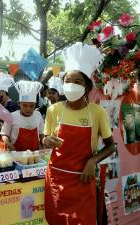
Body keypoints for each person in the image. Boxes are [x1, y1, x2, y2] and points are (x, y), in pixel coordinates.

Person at [43, 42, 116, 225]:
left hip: (83, 179)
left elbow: (111, 146)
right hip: (56, 178)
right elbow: (44, 139)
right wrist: (47, 140)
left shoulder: (97, 112)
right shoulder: (54, 110)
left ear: (87, 86)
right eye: (68, 81)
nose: (72, 85)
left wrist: (93, 161)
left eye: (78, 82)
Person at [1, 80, 44, 151]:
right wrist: (8, 143)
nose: (28, 109)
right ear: (19, 104)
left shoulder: (38, 115)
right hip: (16, 153)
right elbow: (4, 134)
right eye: (25, 105)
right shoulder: (12, 116)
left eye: (31, 106)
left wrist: (44, 145)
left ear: (35, 105)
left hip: (34, 154)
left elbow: (41, 134)